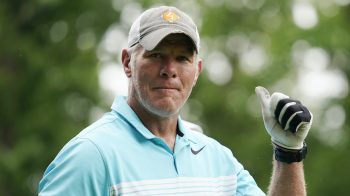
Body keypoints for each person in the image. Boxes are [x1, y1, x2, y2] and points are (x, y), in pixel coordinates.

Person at [38, 5, 313, 196]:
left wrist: (288, 153)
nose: (169, 69)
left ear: (197, 72)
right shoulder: (90, 155)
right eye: (156, 54)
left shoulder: (217, 158)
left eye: (182, 58)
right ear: (127, 62)